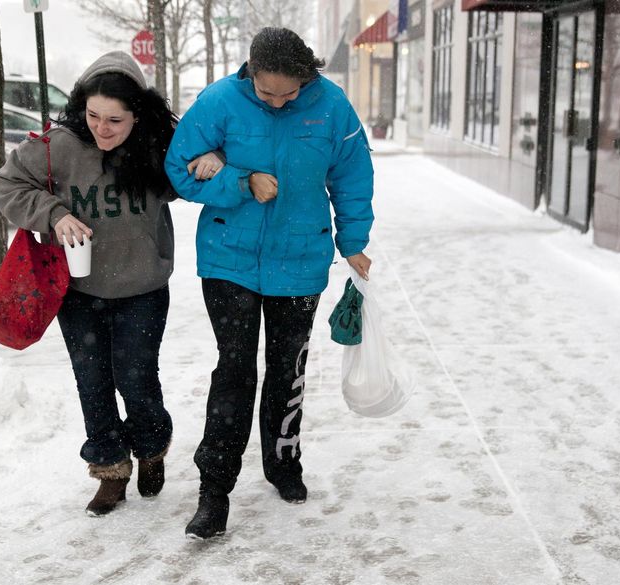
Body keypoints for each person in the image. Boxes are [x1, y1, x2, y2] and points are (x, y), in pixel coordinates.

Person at [165, 27, 374, 539]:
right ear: (249, 73)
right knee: (235, 370)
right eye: (267, 93)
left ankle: (283, 464)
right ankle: (214, 490)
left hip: (300, 257)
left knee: (287, 370)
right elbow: (179, 170)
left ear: (308, 75)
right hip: (229, 260)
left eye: (290, 93)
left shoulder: (332, 107)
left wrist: (354, 240)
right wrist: (239, 180)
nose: (279, 102)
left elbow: (351, 175)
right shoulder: (219, 102)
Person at [0, 51, 182, 517]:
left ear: (138, 114)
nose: (102, 128)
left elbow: (188, 182)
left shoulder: (161, 144)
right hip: (79, 293)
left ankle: (151, 447)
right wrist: (54, 214)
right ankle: (110, 469)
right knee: (92, 381)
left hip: (143, 287)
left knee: (136, 379)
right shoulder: (58, 145)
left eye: (115, 119)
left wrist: (208, 162)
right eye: (93, 115)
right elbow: (7, 185)